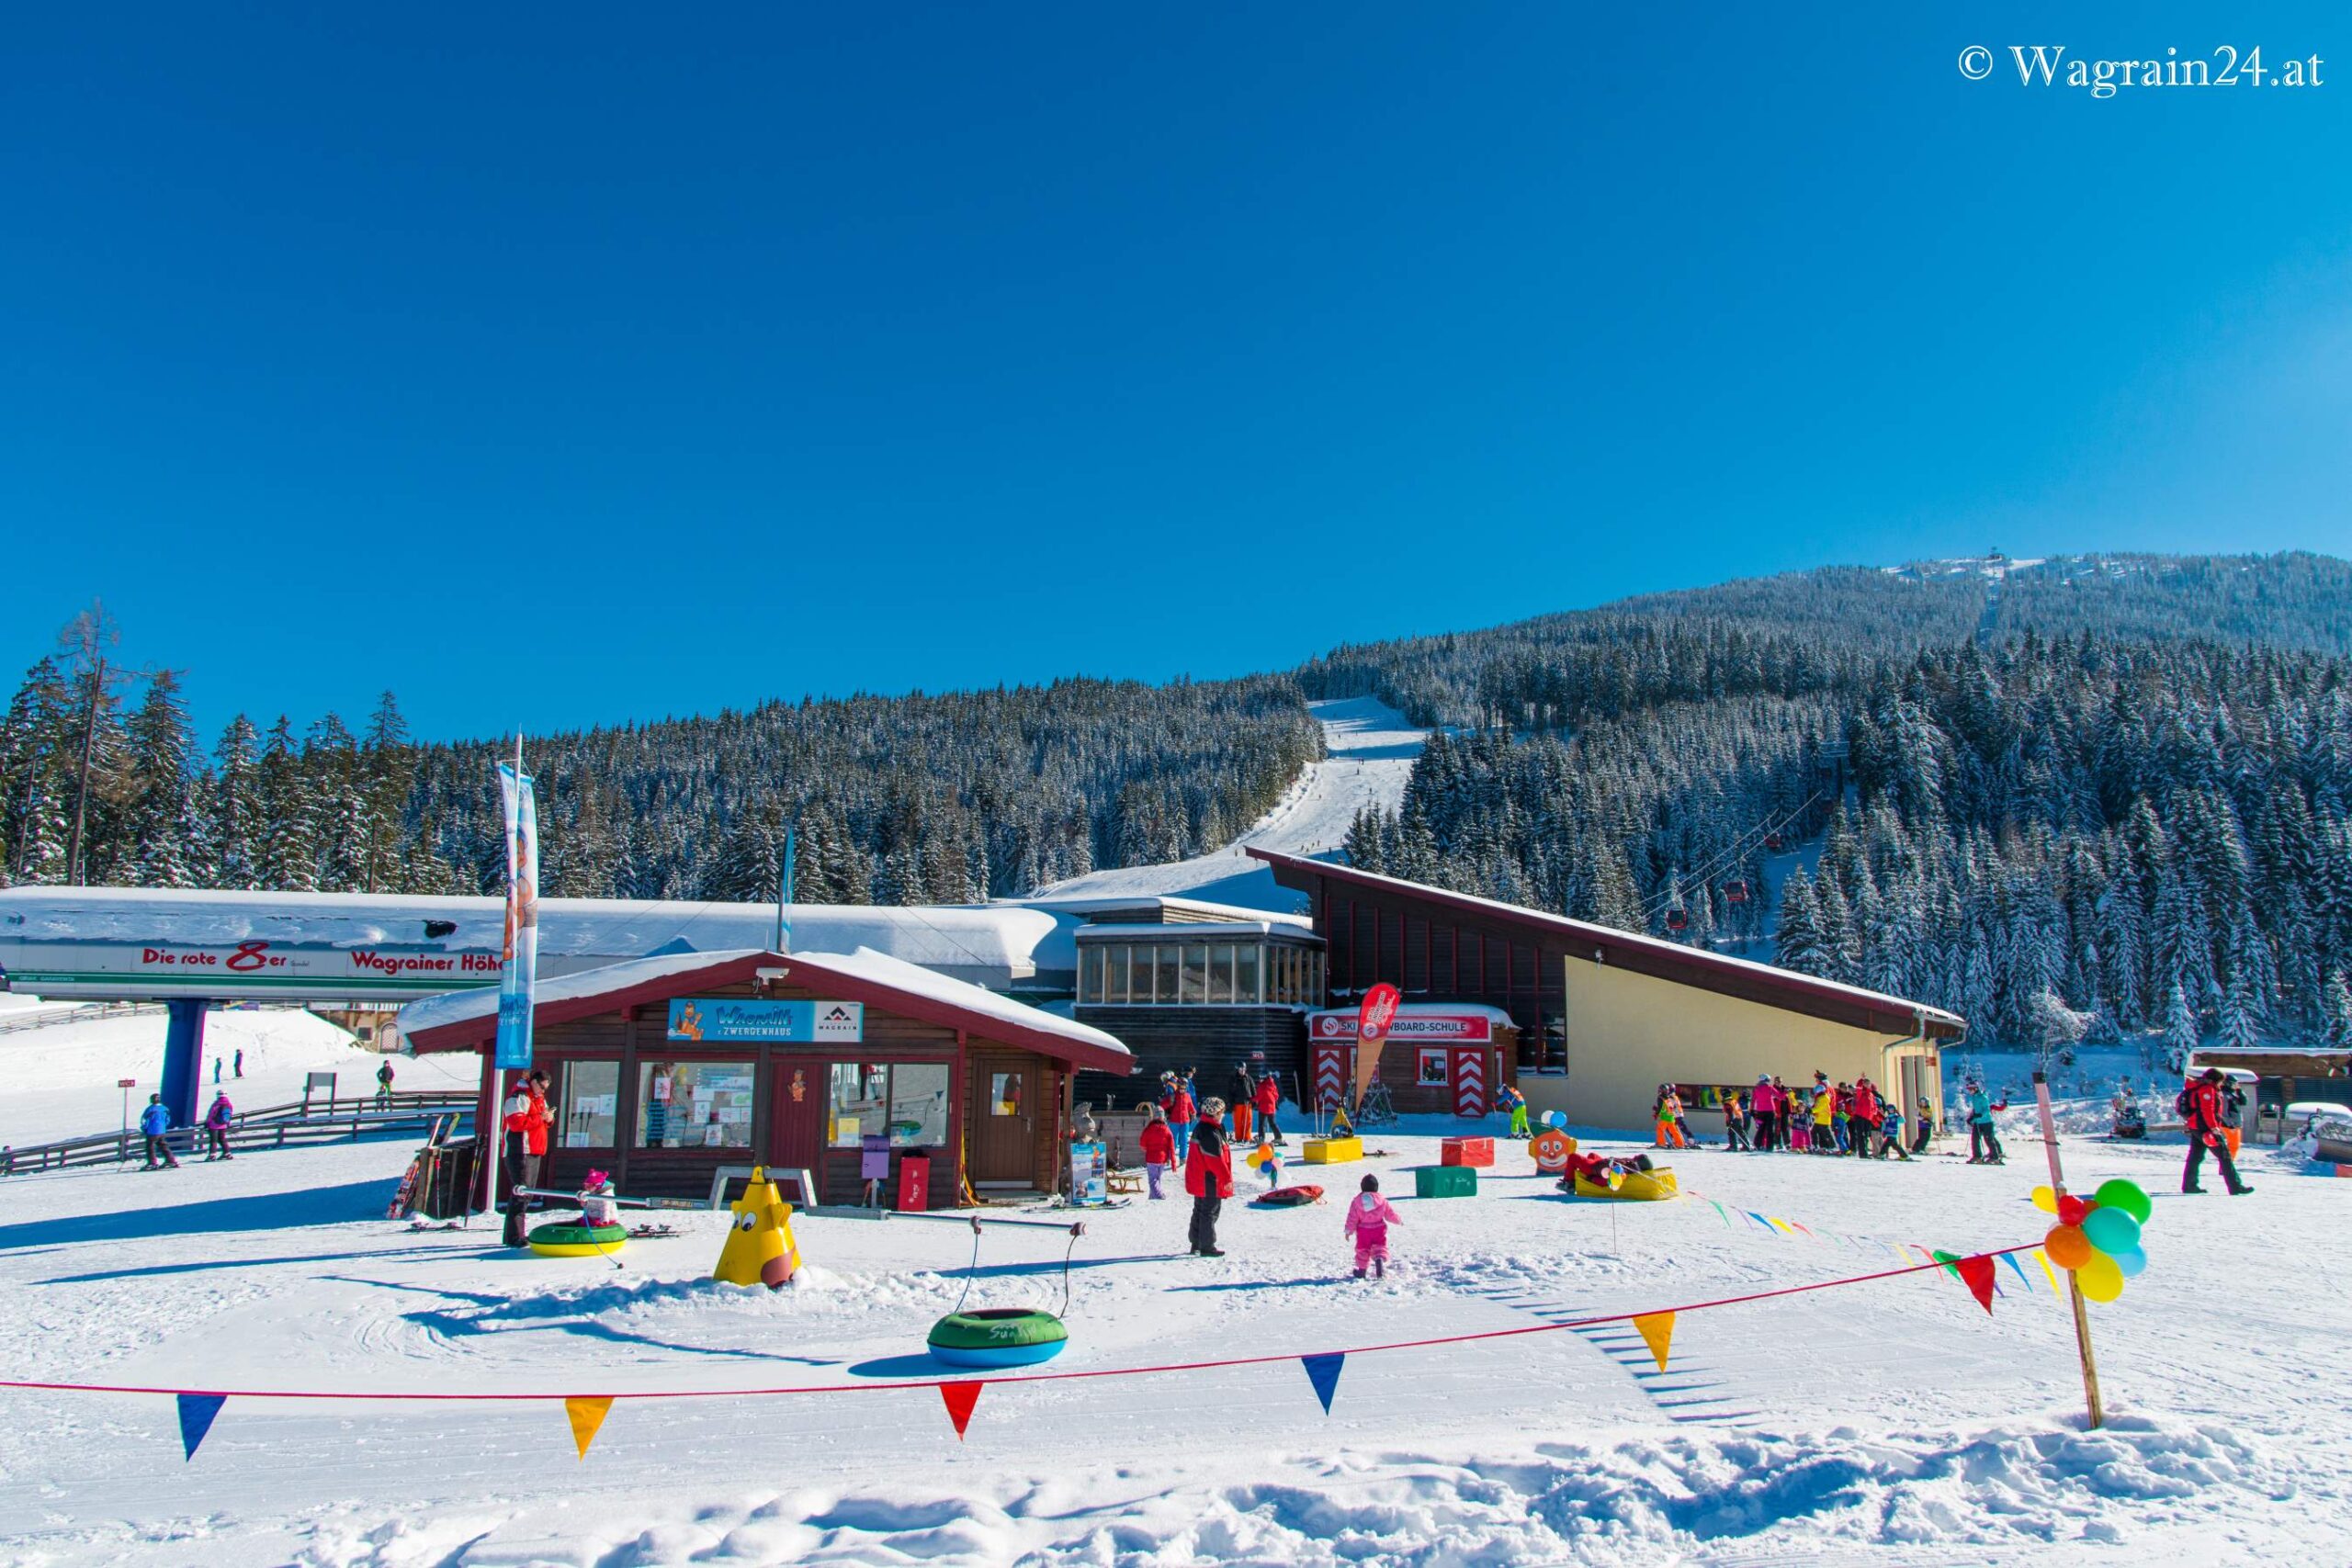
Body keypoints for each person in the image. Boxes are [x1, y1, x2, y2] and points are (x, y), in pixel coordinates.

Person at [2180, 1067, 2253, 1196]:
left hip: (2196, 1126)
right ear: (2216, 1080)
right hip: (2205, 1128)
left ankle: (2189, 1185)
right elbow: (2207, 1110)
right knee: (2225, 1156)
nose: (2221, 1084)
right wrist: (2214, 1128)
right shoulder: (2207, 1089)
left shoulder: (2199, 1087)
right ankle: (2235, 1186)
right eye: (2221, 1081)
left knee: (2195, 1156)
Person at [502, 1068, 552, 1247]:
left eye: (546, 1088)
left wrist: (548, 1118)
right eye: (542, 1087)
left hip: (535, 1150)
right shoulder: (518, 1098)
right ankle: (514, 1236)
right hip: (520, 1150)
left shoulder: (539, 1100)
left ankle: (516, 1234)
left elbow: (544, 1120)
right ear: (534, 1082)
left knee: (527, 1194)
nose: (543, 1091)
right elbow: (517, 1124)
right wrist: (541, 1118)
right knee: (521, 1193)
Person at [1183, 1096, 1232, 1256]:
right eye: (1222, 1112)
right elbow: (1215, 1160)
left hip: (1201, 1177)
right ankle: (1206, 1246)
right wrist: (1226, 1178)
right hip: (1208, 1178)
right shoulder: (1209, 1131)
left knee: (1200, 1209)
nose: (1223, 1114)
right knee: (1209, 1211)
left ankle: (1196, 1243)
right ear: (1215, 1112)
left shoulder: (1206, 1127)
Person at [1343, 1173, 1402, 1280]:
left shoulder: (1357, 1202)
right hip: (1379, 1229)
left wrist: (1348, 1231)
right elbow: (1390, 1214)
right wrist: (1398, 1220)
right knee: (1379, 1247)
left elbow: (1352, 1217)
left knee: (1363, 1250)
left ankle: (1362, 1271)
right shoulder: (1382, 1200)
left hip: (1363, 1231)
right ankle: (1379, 1259)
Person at [1138, 1104, 1175, 1200]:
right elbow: (1171, 1146)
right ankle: (1152, 1196)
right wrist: (1173, 1161)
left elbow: (1142, 1143)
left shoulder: (1149, 1129)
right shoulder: (1167, 1130)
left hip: (1151, 1158)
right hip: (1162, 1159)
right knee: (1157, 1178)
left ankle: (1159, 1195)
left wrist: (1145, 1148)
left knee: (1153, 1180)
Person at [1964, 1078, 2004, 1165]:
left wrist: (1980, 1115)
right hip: (1978, 1122)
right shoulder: (1974, 1098)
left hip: (1986, 1122)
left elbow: (1986, 1110)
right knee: (1974, 1139)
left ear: (1975, 1089)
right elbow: (1976, 1110)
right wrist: (1971, 1118)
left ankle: (1995, 1158)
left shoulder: (1983, 1097)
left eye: (1971, 1089)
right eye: (1969, 1089)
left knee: (1988, 1139)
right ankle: (1977, 1156)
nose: (1969, 1091)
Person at [139, 1093, 180, 1169]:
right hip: (161, 1130)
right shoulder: (165, 1108)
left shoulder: (150, 1109)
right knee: (163, 1146)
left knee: (150, 1147)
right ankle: (171, 1160)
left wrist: (144, 1128)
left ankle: (152, 1162)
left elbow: (144, 1121)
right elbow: (167, 1120)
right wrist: (163, 1126)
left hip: (152, 1131)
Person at [1168, 1075, 1198, 1164]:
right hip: (1174, 1121)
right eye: (1180, 1088)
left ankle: (1183, 1157)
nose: (1182, 1090)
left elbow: (1190, 1106)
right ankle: (1170, 1156)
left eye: (1184, 1088)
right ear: (1177, 1087)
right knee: (1173, 1140)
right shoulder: (1173, 1096)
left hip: (1185, 1121)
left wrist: (1194, 1112)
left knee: (1184, 1140)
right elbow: (1167, 1105)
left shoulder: (1188, 1096)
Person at [1849, 1077, 1881, 1158]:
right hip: (1860, 1116)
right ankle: (1863, 1153)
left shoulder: (1871, 1095)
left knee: (1866, 1135)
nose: (1866, 1085)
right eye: (1865, 1083)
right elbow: (1857, 1088)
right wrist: (1861, 1080)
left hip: (1868, 1117)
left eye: (1868, 1083)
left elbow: (1874, 1105)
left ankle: (1865, 1151)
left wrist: (1874, 1113)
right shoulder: (1860, 1092)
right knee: (1861, 1135)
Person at [202, 1090, 235, 1161]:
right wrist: (227, 1123)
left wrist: (207, 1123)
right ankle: (227, 1153)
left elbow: (211, 1114)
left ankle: (212, 1155)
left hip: (214, 1125)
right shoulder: (229, 1104)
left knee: (213, 1140)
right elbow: (229, 1115)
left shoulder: (216, 1104)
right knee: (222, 1139)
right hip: (223, 1125)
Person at [1747, 1075, 1778, 1151]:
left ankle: (1757, 1145)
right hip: (1770, 1111)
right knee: (1770, 1130)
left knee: (1761, 1129)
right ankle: (1769, 1147)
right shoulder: (1770, 1088)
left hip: (1760, 1112)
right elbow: (1780, 1096)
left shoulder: (1756, 1089)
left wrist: (1751, 1109)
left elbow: (1753, 1100)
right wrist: (1785, 1092)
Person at [1254, 1070, 1284, 1146]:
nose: (1260, 1079)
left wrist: (1251, 1099)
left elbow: (1258, 1097)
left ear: (1266, 1077)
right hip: (1271, 1108)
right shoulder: (1272, 1084)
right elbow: (1276, 1096)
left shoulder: (1262, 1085)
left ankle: (1261, 1139)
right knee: (1272, 1123)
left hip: (1263, 1107)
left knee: (1262, 1124)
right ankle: (1278, 1137)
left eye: (1262, 1077)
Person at [1652, 1085, 1687, 1149]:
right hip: (1671, 1116)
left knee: (1660, 1129)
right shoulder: (1670, 1097)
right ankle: (1680, 1143)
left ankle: (1661, 1143)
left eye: (1660, 1089)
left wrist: (1656, 1114)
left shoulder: (1660, 1097)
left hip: (1665, 1117)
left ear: (1662, 1090)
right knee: (1673, 1130)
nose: (1659, 1091)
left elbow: (1660, 1108)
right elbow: (1668, 1106)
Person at [1230, 1062, 1256, 1144]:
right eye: (1241, 1069)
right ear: (1237, 1069)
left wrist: (1254, 1100)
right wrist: (1231, 1103)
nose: (1243, 1071)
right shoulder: (1233, 1079)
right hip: (1237, 1103)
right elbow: (1230, 1092)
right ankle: (1239, 1137)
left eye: (1244, 1069)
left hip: (1247, 1103)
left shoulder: (1248, 1078)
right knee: (1238, 1121)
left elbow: (1253, 1089)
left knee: (1248, 1120)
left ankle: (1247, 1137)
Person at [1722, 1087, 1750, 1151]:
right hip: (1739, 1118)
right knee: (1740, 1132)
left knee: (1731, 1132)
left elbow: (1730, 1113)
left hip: (1734, 1119)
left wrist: (1729, 1121)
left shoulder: (1727, 1102)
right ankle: (1746, 1146)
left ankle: (1733, 1146)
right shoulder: (1733, 1100)